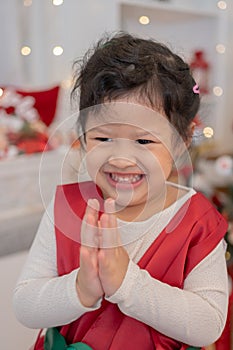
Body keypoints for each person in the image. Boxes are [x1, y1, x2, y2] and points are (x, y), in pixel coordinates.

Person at [13, 32, 229, 350]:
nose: (122, 159)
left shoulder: (198, 223)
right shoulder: (67, 209)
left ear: (182, 140)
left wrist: (126, 282)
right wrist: (81, 288)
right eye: (103, 139)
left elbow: (208, 325)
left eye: (143, 141)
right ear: (83, 138)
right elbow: (25, 304)